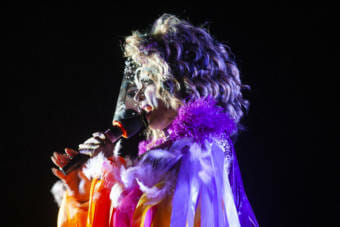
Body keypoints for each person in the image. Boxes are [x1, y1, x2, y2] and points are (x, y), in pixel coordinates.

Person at [51, 13, 259, 227]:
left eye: (148, 79)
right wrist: (88, 189)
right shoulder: (164, 154)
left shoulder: (202, 152)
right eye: (137, 81)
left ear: (180, 82)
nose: (137, 95)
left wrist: (109, 178)